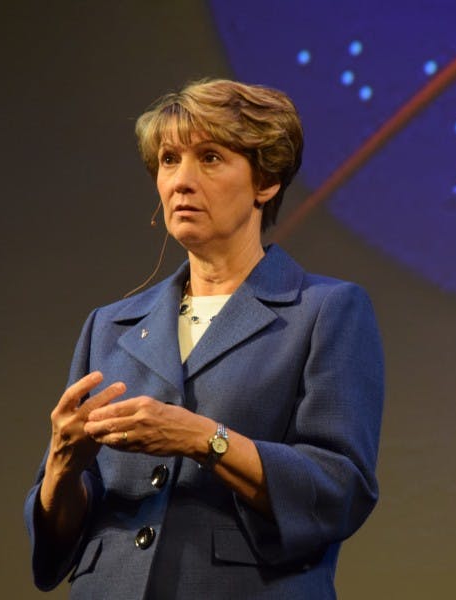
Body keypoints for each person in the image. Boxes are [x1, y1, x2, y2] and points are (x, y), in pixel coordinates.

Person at [23, 78, 384, 599]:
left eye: (210, 158)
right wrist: (62, 463)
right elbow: (60, 540)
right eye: (169, 160)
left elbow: (338, 489)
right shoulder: (108, 327)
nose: (181, 181)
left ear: (266, 182)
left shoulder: (325, 311)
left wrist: (203, 439)